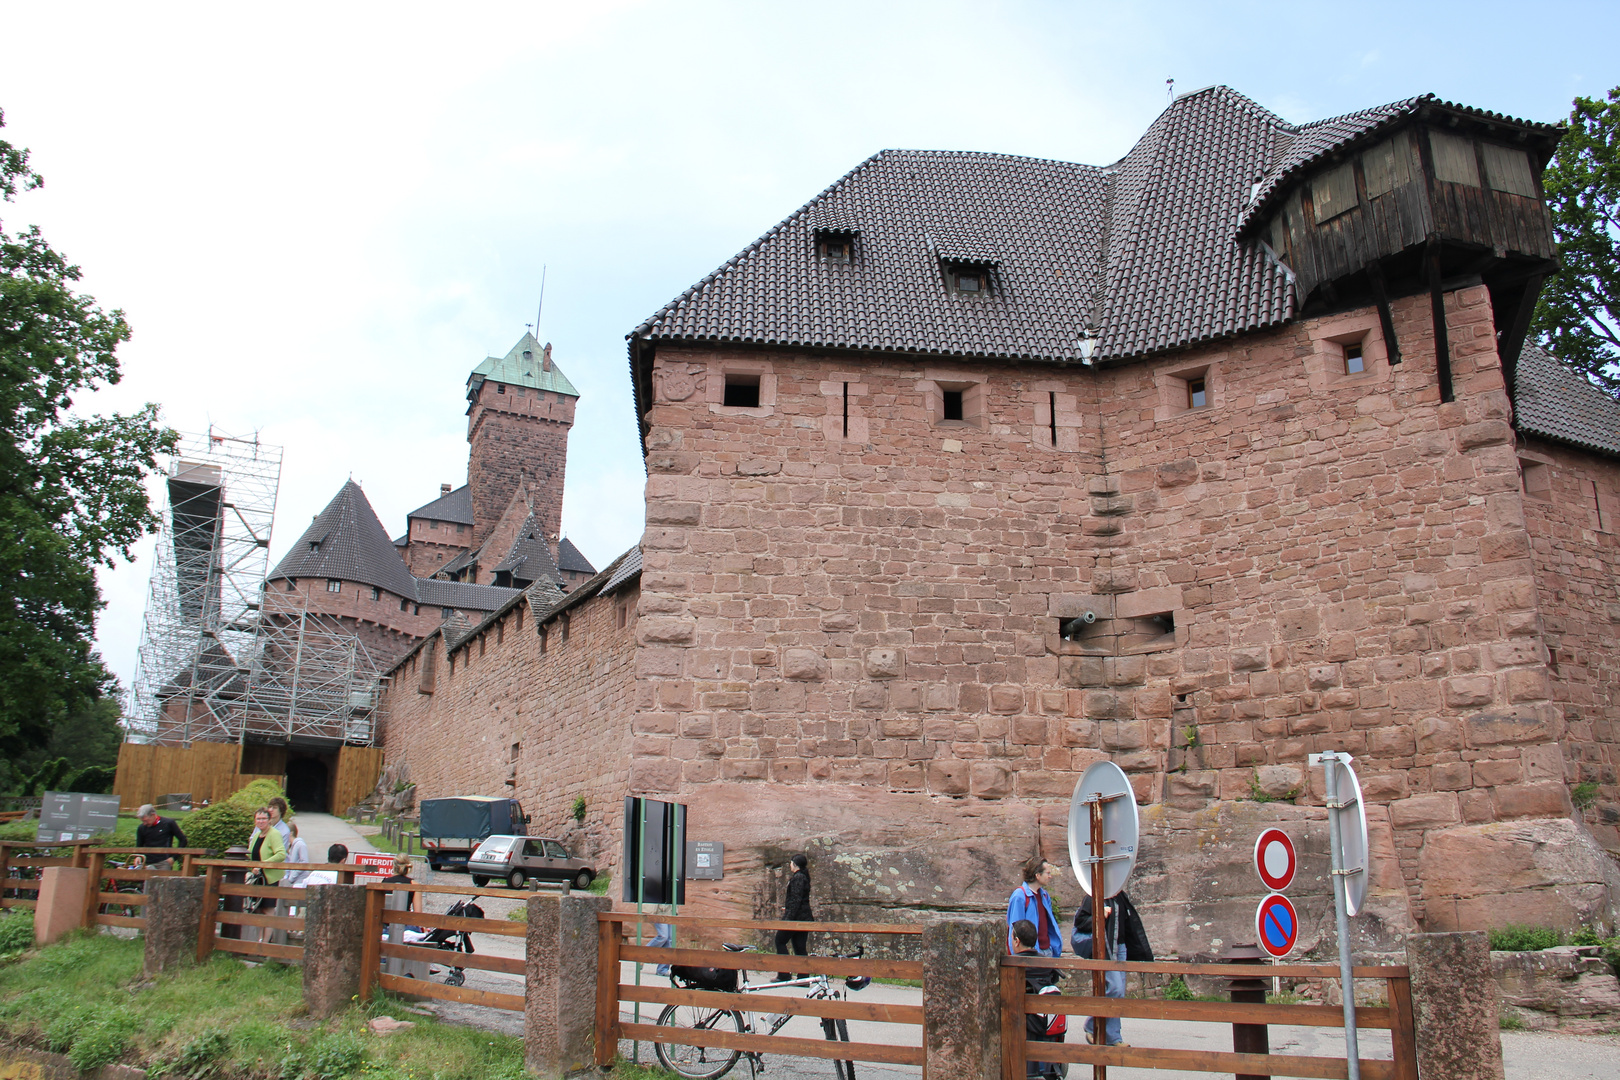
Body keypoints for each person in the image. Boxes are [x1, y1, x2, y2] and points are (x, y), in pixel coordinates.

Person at [1072, 889, 1153, 1048]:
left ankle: (1114, 1037)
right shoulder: (1093, 894)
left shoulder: (1119, 895)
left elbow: (1130, 924)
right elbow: (1080, 922)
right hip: (1106, 948)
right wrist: (1099, 916)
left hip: (1120, 947)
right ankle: (1091, 1025)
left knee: (1119, 994)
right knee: (1114, 989)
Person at [1011, 919, 1064, 1078]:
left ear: (1017, 941)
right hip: (1045, 1018)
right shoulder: (1046, 964)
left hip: (1023, 1020)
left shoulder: (1013, 964)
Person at [1007, 855, 1063, 959]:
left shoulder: (1045, 896)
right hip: (1030, 955)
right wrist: (1017, 958)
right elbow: (1014, 930)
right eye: (1048, 873)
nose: (1050, 876)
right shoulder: (1020, 896)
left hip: (1048, 951)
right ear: (1038, 875)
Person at [775, 853, 812, 982]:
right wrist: (788, 907)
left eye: (791, 863)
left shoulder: (798, 878)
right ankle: (803, 978)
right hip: (803, 917)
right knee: (799, 947)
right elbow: (800, 900)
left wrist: (788, 918)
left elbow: (796, 900)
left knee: (779, 941)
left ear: (795, 864)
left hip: (796, 918)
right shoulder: (803, 877)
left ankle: (784, 974)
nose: (790, 865)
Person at [134, 805, 188, 869]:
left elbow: (183, 840)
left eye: (146, 820)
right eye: (143, 821)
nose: (145, 823)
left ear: (153, 815)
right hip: (147, 862)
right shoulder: (141, 828)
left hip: (164, 862)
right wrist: (138, 856)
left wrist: (173, 858)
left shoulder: (168, 823)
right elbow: (139, 845)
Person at [246, 808, 287, 883]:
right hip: (257, 878)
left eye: (264, 819)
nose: (261, 821)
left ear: (269, 820)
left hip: (270, 880)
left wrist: (262, 865)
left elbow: (281, 854)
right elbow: (249, 854)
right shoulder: (256, 835)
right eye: (258, 819)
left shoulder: (274, 834)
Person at [282, 821, 311, 886]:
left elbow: (304, 862)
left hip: (301, 879)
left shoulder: (300, 844)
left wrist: (292, 876)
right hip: (294, 880)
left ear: (291, 833)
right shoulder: (291, 846)